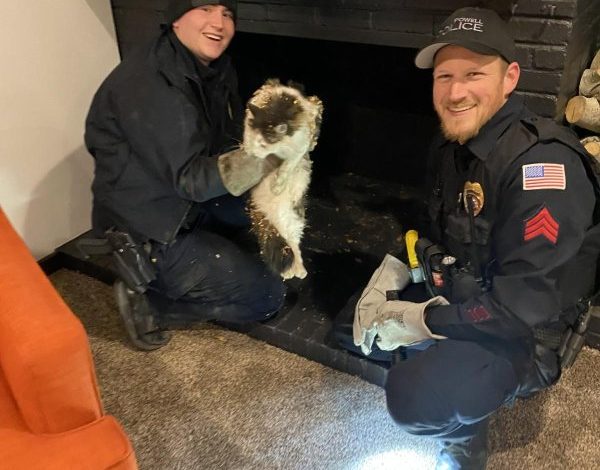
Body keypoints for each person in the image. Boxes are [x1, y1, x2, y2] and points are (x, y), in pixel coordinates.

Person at [334, 7, 600, 469]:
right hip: (463, 290)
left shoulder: (542, 171)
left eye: (474, 74)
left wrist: (426, 321)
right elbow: (437, 229)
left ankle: (463, 445)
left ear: (510, 77)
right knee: (353, 328)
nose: (455, 93)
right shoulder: (452, 143)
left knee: (414, 396)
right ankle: (440, 357)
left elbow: (518, 308)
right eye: (444, 76)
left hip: (524, 331)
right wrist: (394, 273)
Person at [85, 0, 285, 351]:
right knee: (266, 295)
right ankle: (150, 301)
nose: (219, 23)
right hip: (150, 223)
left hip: (180, 200)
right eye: (205, 9)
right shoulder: (152, 83)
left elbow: (227, 139)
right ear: (177, 19)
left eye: (227, 14)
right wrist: (267, 158)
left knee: (267, 225)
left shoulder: (213, 67)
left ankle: (198, 255)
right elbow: (191, 178)